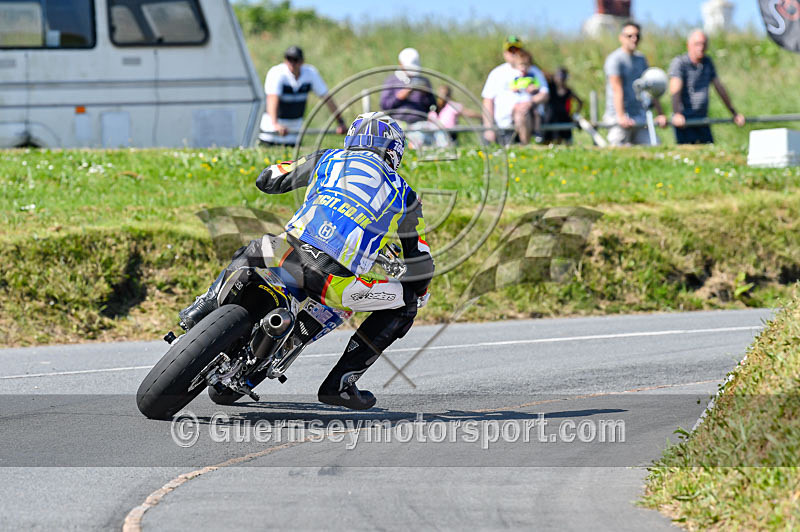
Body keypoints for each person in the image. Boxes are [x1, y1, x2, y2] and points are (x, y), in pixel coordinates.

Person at [179, 112, 434, 411]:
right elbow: (421, 263)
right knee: (406, 304)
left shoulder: (328, 158)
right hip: (334, 284)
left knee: (257, 246)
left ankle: (204, 305)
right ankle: (341, 383)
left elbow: (267, 179)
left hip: (286, 254)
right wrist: (417, 288)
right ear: (392, 150)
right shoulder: (406, 194)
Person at [669, 29, 745, 144]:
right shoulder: (680, 63)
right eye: (697, 44)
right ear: (688, 45)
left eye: (703, 44)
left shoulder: (707, 62)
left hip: (702, 119)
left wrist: (734, 113)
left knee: (710, 151)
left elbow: (719, 88)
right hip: (685, 122)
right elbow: (675, 90)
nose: (701, 47)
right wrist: (677, 114)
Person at [259, 46, 346, 146]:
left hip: (294, 136)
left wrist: (341, 122)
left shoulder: (310, 73)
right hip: (271, 135)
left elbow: (327, 99)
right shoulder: (276, 73)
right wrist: (275, 124)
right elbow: (272, 99)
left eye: (295, 60)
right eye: (289, 59)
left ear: (302, 61)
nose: (292, 63)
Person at [603, 21, 667, 146]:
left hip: (639, 117)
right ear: (621, 38)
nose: (634, 39)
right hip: (618, 117)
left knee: (654, 146)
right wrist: (621, 116)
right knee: (618, 149)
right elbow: (617, 89)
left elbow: (650, 88)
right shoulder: (615, 59)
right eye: (630, 36)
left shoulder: (641, 59)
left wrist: (660, 114)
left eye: (637, 36)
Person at [482, 36, 549, 145]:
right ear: (505, 53)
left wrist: (530, 102)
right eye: (510, 50)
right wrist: (489, 127)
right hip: (503, 126)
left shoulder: (534, 71)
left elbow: (545, 94)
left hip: (530, 119)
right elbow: (487, 101)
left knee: (521, 112)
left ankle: (526, 144)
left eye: (516, 50)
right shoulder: (497, 73)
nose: (513, 53)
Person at [380, 47, 436, 125]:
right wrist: (400, 96)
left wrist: (426, 94)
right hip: (396, 124)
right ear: (400, 64)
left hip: (420, 125)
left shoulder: (424, 81)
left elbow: (433, 107)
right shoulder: (391, 81)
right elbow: (384, 106)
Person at [543, 67, 584, 144]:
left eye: (562, 77)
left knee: (564, 141)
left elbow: (580, 102)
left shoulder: (568, 91)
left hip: (563, 118)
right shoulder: (550, 88)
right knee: (547, 141)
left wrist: (574, 114)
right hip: (551, 119)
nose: (560, 79)